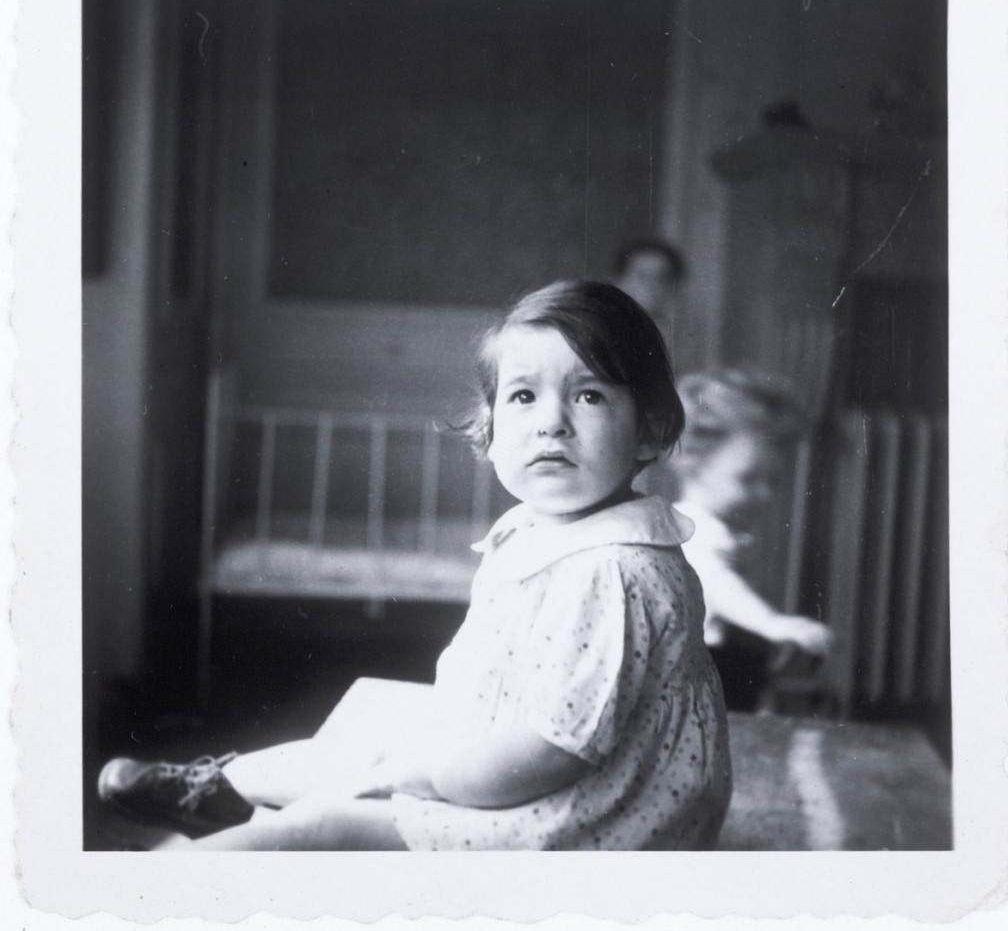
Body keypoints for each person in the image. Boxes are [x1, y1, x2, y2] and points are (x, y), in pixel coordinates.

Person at [98, 280, 732, 850]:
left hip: (598, 817)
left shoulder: (612, 571)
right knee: (363, 742)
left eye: (589, 395)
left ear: (649, 431)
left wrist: (423, 778)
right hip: (525, 755)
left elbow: (549, 753)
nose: (550, 424)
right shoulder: (538, 529)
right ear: (489, 432)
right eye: (522, 397)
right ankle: (224, 791)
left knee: (324, 825)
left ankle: (168, 892)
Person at [671, 370, 832, 711]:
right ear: (693, 464)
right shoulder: (693, 530)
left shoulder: (713, 528)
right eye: (747, 479)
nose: (764, 493)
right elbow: (717, 582)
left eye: (772, 480)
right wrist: (770, 623)